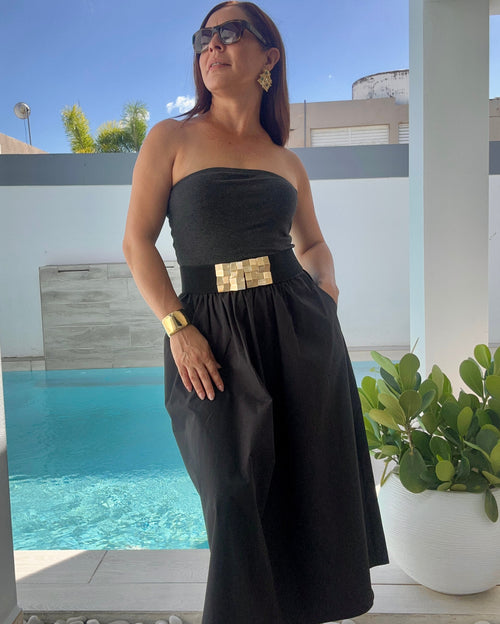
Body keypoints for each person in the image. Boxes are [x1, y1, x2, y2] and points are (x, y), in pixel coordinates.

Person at [122, 2, 389, 623]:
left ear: (269, 56)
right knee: (232, 491)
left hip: (296, 330)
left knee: (307, 486)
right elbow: (137, 243)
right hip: (207, 333)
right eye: (204, 37)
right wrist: (177, 327)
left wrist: (325, 294)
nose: (211, 45)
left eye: (229, 32)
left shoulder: (286, 161)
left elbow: (313, 244)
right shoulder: (171, 138)